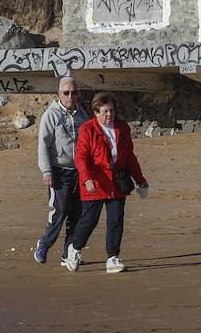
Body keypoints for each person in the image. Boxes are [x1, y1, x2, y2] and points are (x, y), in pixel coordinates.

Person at [63, 92, 148, 274]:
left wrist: (140, 180)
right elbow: (81, 158)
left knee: (116, 220)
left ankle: (112, 257)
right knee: (89, 221)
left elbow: (130, 157)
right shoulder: (87, 130)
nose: (109, 115)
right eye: (105, 111)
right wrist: (87, 179)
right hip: (95, 182)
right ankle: (74, 249)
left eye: (112, 111)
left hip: (117, 182)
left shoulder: (122, 128)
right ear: (96, 112)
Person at [33, 77, 90, 264]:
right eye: (66, 93)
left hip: (80, 171)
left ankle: (69, 253)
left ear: (78, 94)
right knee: (60, 210)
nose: (70, 96)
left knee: (77, 213)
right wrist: (46, 171)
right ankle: (44, 243)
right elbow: (43, 144)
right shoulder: (51, 114)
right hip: (59, 171)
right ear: (59, 94)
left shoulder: (83, 114)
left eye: (74, 92)